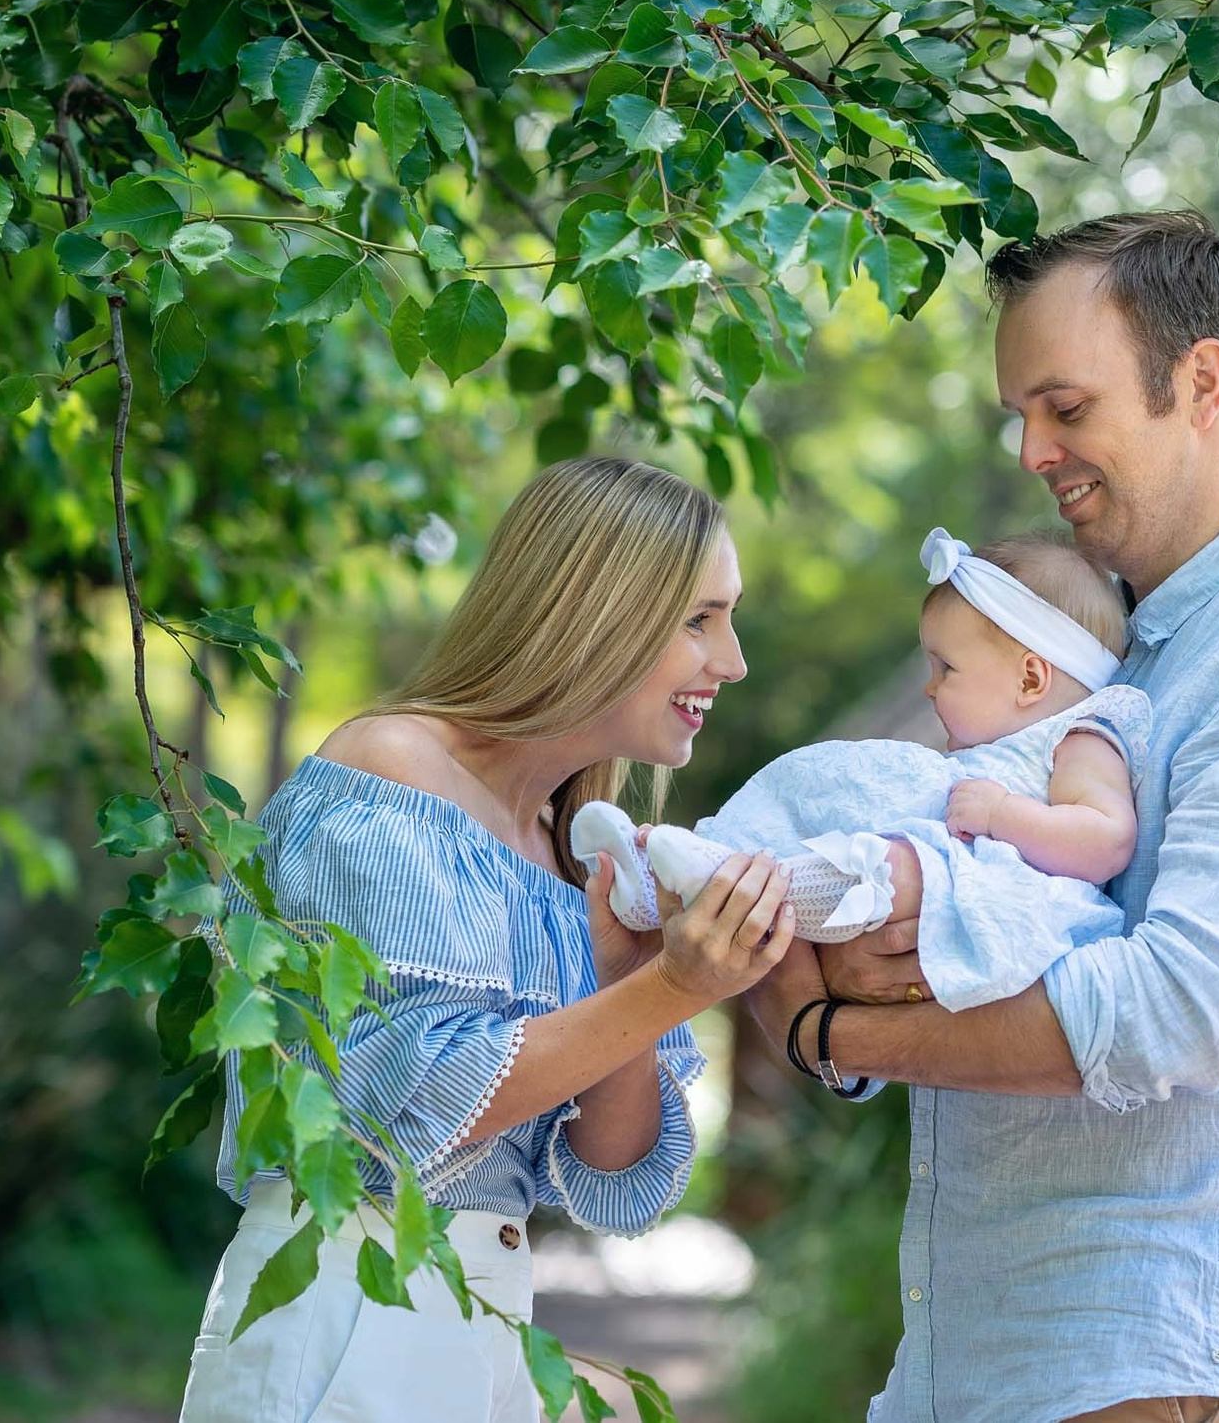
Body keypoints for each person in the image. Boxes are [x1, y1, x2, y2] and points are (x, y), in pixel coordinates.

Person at [746, 211, 1219, 1423]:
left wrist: (834, 1033)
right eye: (1020, 413)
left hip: (1159, 1359)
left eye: (1065, 407)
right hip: (973, 1357)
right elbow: (874, 898)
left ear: (1202, 381)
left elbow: (1174, 1010)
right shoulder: (1058, 649)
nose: (1030, 447)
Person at [177, 457, 794, 1423]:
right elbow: (405, 1101)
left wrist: (626, 982)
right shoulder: (393, 776)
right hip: (346, 1305)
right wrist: (668, 993)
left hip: (485, 1324)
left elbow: (617, 1186)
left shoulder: (571, 849)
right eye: (699, 619)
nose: (733, 659)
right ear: (598, 611)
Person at [572, 528, 1149, 1012]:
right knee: (820, 794)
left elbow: (1107, 841)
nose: (930, 686)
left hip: (1004, 892)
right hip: (946, 867)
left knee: (896, 863)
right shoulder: (986, 754)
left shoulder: (1081, 738)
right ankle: (657, 880)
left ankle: (728, 882)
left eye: (946, 667)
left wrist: (1002, 814)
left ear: (1030, 679)